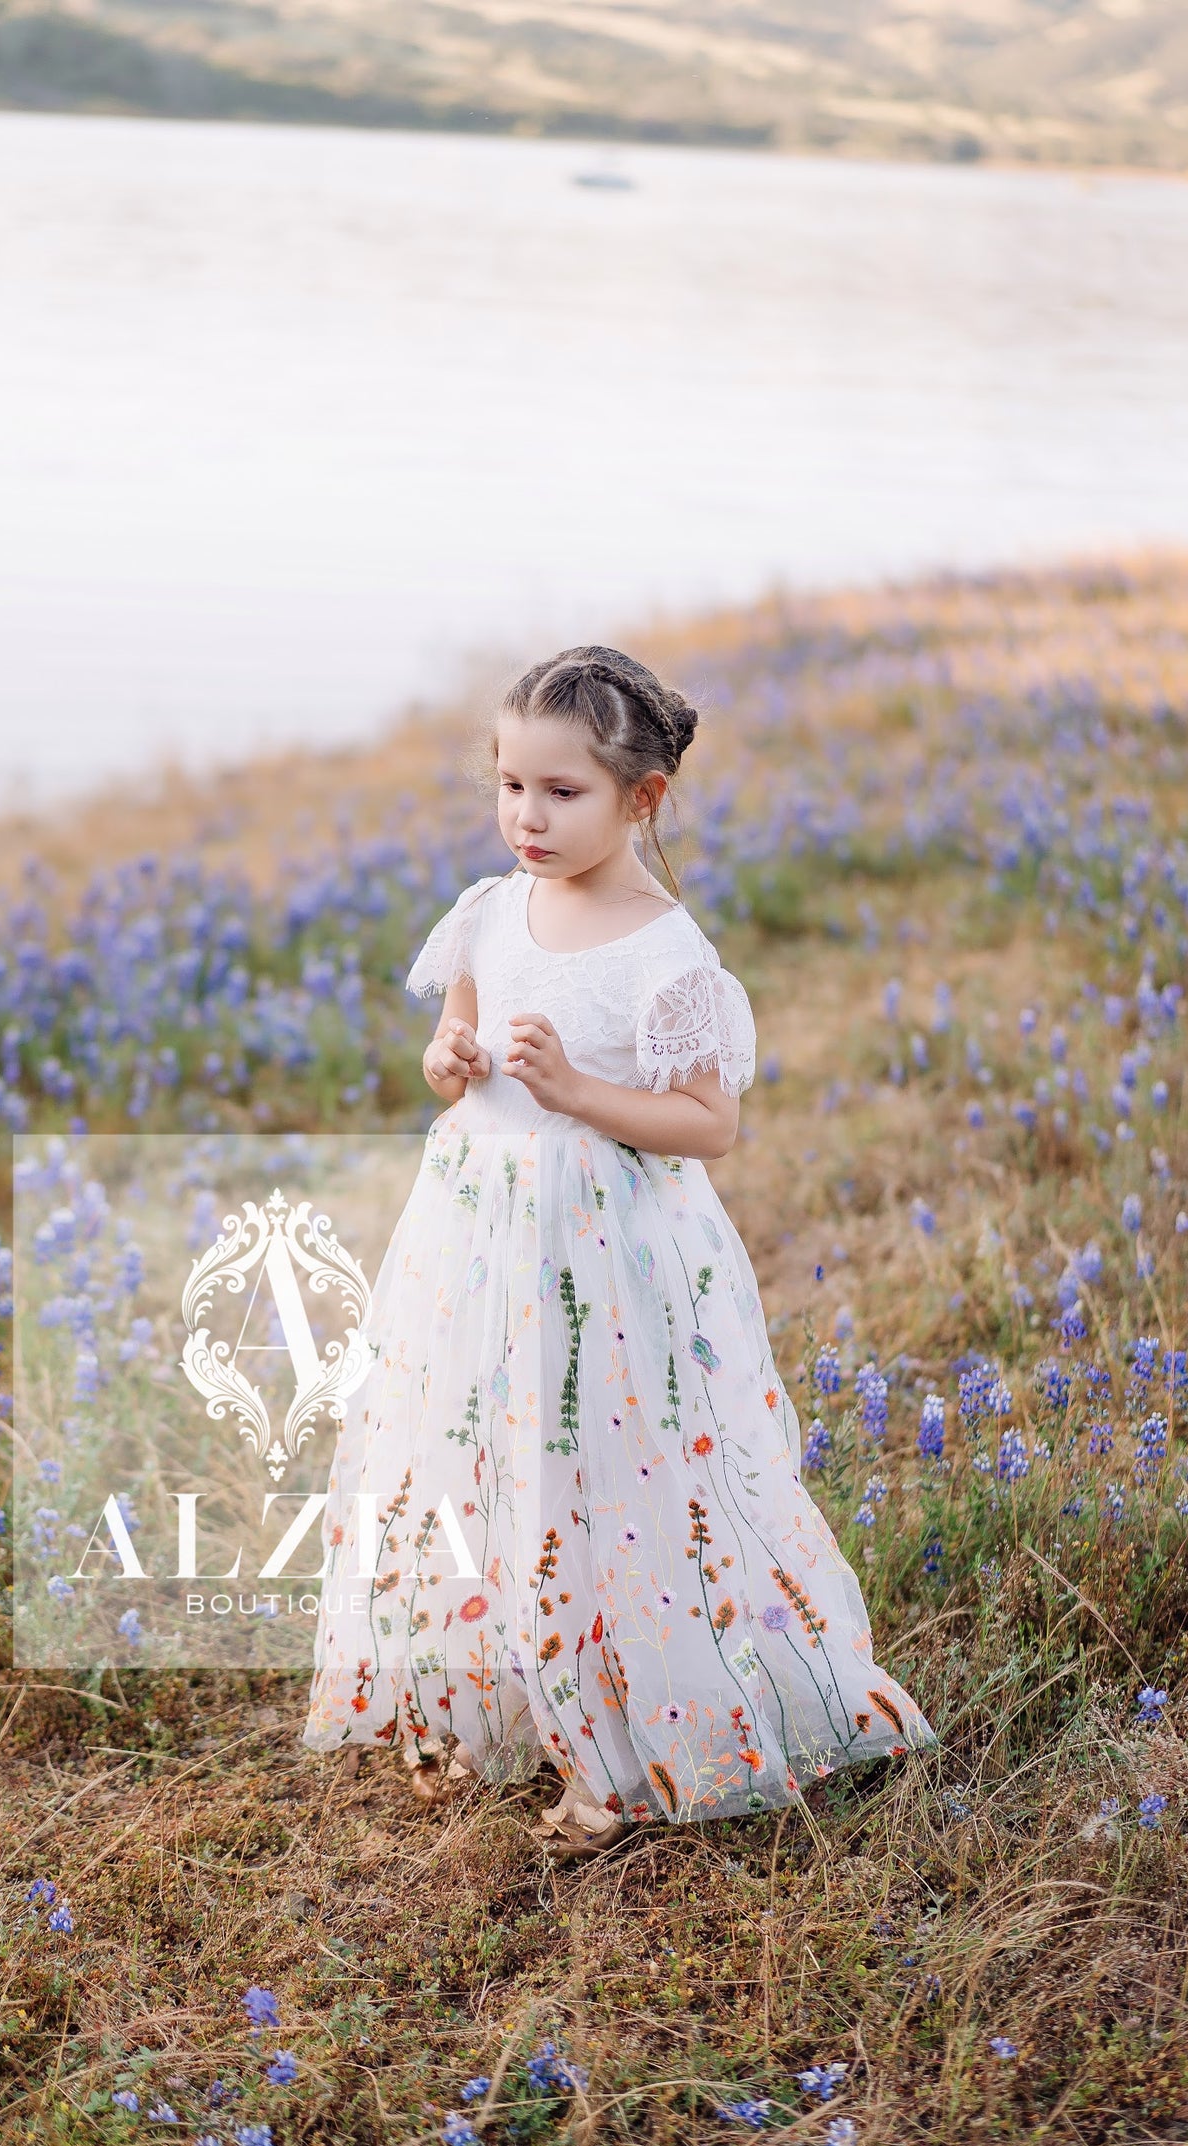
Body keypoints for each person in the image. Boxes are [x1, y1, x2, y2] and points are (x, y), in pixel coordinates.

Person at [300, 644, 935, 1859]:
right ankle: (502, 1691)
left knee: (608, 1471)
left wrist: (582, 1089)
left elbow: (709, 1123)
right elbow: (456, 1039)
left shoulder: (666, 953)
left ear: (639, 798)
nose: (525, 817)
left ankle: (627, 1736)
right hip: (479, 1237)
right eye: (509, 786)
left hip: (604, 1253)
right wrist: (451, 1063)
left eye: (560, 792)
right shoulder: (490, 911)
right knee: (479, 1446)